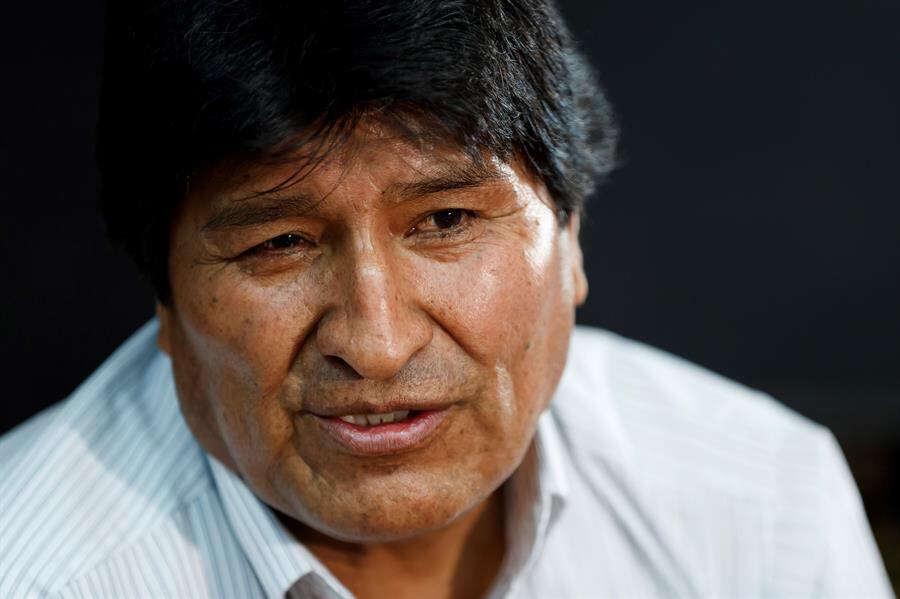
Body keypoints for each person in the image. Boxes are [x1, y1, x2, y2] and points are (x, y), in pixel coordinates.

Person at [0, 0, 892, 597]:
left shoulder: (765, 506)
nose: (377, 343)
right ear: (163, 297)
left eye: (447, 220)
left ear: (571, 236)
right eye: (279, 243)